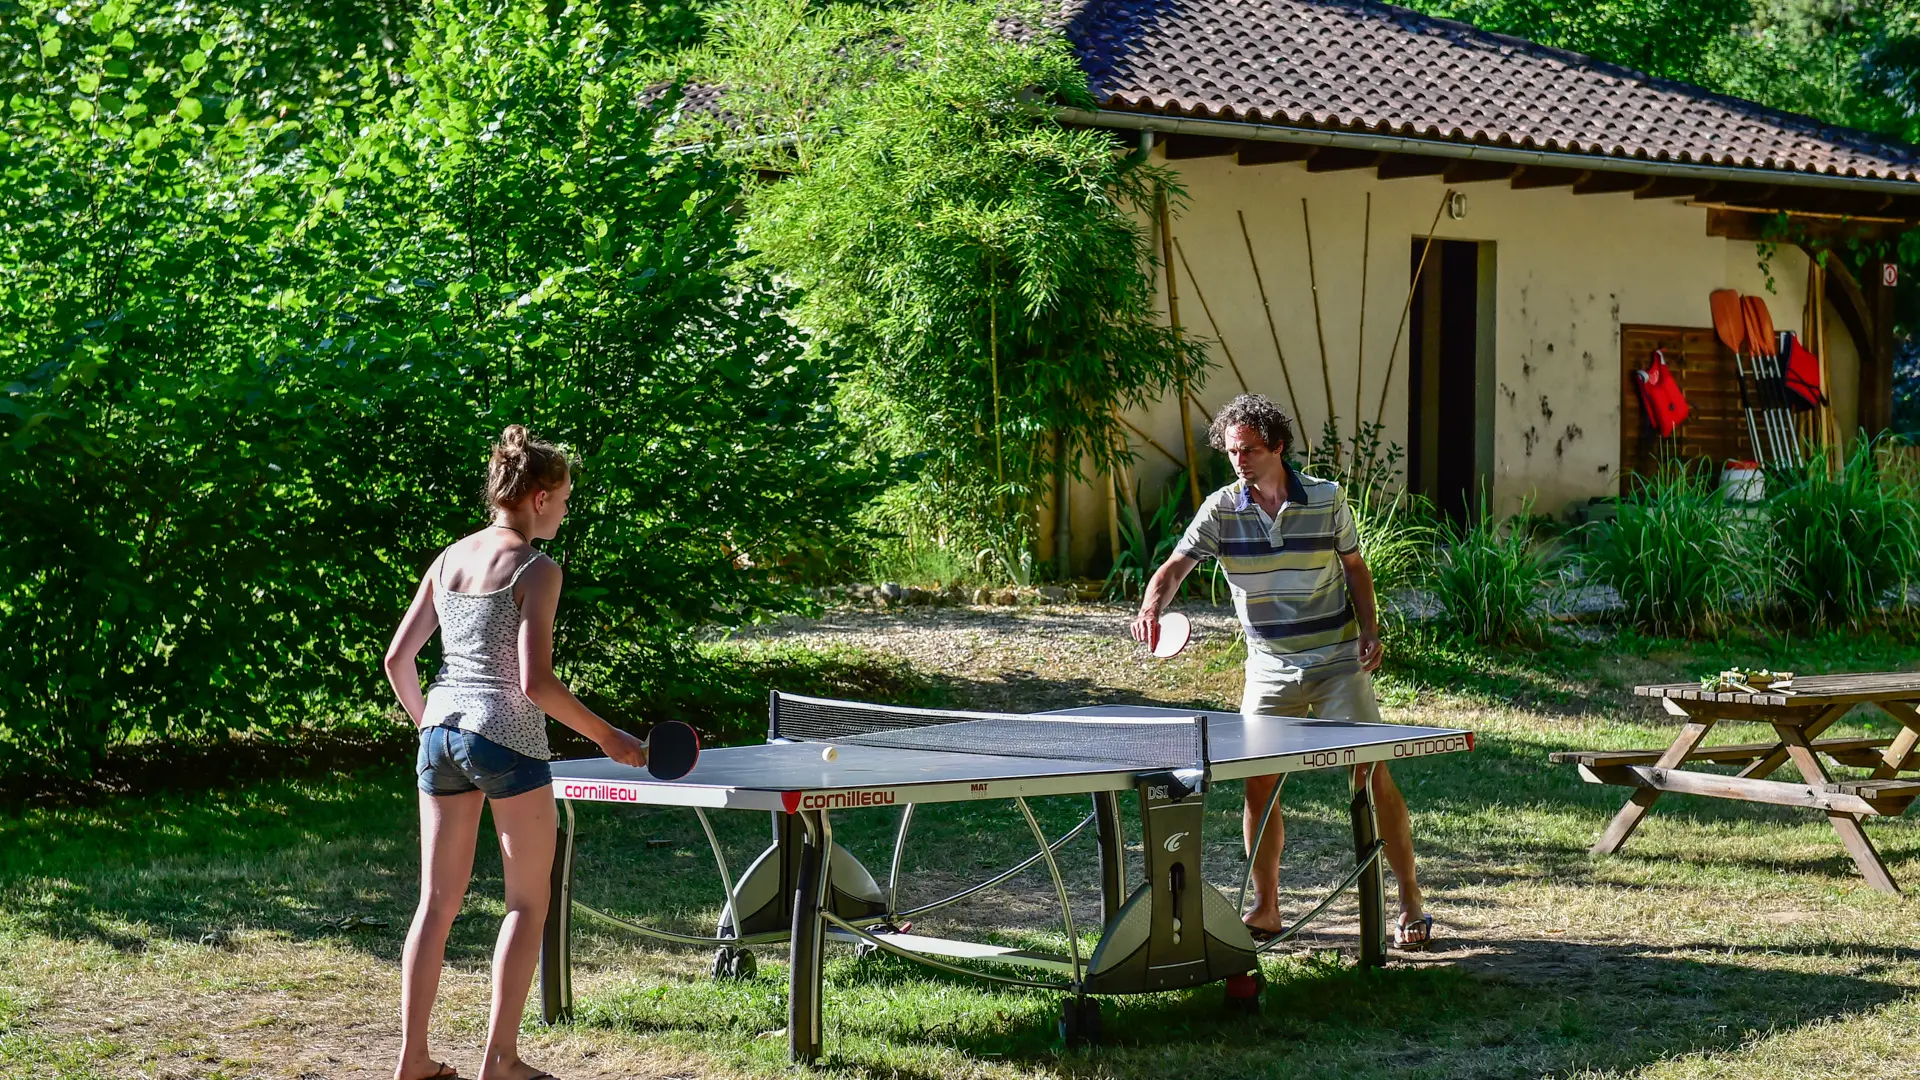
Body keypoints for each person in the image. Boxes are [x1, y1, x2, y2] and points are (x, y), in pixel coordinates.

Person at [384, 425, 648, 1080]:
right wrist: (609, 736)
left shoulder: (450, 559)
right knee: (527, 903)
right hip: (505, 737)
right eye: (562, 497)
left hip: (440, 734)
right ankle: (500, 1061)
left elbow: (398, 659)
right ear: (536, 497)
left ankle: (412, 1060)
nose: (565, 509)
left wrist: (433, 723)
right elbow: (536, 683)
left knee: (435, 904)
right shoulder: (536, 569)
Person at [1128, 394, 1432, 949]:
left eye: (1248, 450)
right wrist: (1153, 606)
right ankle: (1265, 906)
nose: (1238, 460)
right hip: (1269, 664)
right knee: (1258, 783)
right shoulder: (1222, 507)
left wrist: (1370, 630)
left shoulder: (1326, 499)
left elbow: (1355, 568)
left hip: (1338, 659)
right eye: (1230, 451)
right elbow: (1176, 565)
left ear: (1278, 448)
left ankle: (1410, 898)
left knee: (1370, 775)